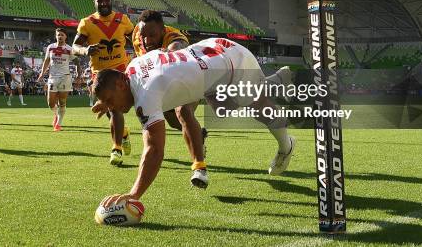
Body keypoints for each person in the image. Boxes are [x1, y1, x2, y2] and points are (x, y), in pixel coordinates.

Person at [92, 38, 296, 206]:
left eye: (110, 100)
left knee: (258, 108)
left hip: (234, 62)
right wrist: (107, 102)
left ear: (120, 84)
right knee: (225, 109)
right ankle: (272, 81)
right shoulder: (133, 66)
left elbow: (154, 149)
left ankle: (286, 145)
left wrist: (134, 194)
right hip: (212, 51)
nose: (111, 108)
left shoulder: (146, 95)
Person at [132, 10, 208, 187]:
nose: (147, 41)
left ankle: (200, 168)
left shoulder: (174, 36)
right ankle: (199, 134)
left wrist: (167, 54)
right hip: (162, 84)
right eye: (144, 36)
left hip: (188, 78)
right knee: (175, 123)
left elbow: (178, 45)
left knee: (183, 110)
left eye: (152, 35)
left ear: (163, 30)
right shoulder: (138, 34)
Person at [72, 0, 134, 166]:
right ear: (95, 3)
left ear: (111, 1)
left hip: (121, 70)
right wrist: (85, 50)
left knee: (114, 110)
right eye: (100, 1)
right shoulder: (87, 23)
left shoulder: (123, 19)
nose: (104, 3)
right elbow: (75, 46)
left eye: (107, 0)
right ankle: (123, 134)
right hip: (99, 73)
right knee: (110, 111)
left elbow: (135, 38)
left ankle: (116, 149)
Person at [38, 28, 81, 131]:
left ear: (65, 36)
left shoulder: (70, 49)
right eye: (58, 35)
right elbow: (47, 61)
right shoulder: (50, 47)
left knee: (62, 102)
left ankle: (58, 124)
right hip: (52, 77)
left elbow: (77, 63)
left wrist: (79, 76)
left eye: (62, 35)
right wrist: (42, 73)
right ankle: (56, 114)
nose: (60, 36)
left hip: (65, 77)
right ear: (56, 36)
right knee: (50, 103)